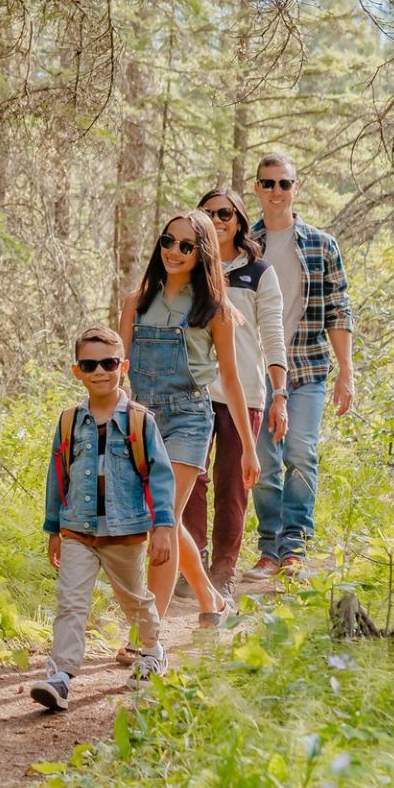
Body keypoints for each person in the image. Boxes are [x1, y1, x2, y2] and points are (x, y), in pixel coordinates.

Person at [117, 210, 259, 624]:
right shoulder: (136, 301)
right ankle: (209, 598)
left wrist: (249, 449)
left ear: (202, 253)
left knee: (163, 519)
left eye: (185, 245)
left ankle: (147, 634)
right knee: (160, 519)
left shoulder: (214, 309)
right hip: (141, 421)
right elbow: (119, 371)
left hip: (189, 420)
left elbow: (231, 381)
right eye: (167, 241)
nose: (173, 251)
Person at [31, 326, 176, 712]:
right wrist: (53, 529)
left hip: (126, 532)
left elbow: (160, 476)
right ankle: (60, 676)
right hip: (77, 530)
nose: (100, 371)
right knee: (71, 603)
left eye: (109, 363)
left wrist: (163, 527)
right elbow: (56, 477)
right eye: (89, 364)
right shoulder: (68, 421)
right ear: (77, 370)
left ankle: (152, 650)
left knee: (135, 602)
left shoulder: (140, 421)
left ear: (123, 366)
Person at [247, 151, 354, 575]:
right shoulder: (244, 247)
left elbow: (339, 310)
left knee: (301, 452)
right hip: (256, 373)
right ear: (257, 188)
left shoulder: (321, 244)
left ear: (295, 188)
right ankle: (269, 547)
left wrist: (347, 371)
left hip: (307, 366)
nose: (277, 191)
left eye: (284, 183)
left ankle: (295, 546)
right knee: (265, 460)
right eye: (268, 183)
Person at [182, 186, 287, 594]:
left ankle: (223, 573)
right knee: (190, 481)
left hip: (243, 393)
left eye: (224, 213)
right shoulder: (188, 265)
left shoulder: (259, 273)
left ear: (239, 219)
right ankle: (193, 567)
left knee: (232, 487)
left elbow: (274, 336)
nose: (217, 220)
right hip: (192, 391)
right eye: (208, 213)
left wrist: (280, 393)